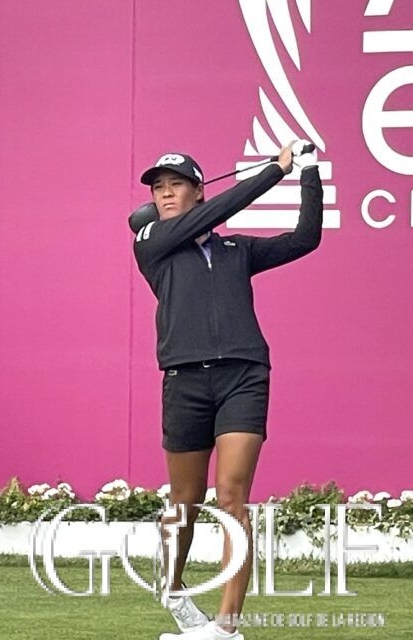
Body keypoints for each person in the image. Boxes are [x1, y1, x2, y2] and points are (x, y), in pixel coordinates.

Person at [131, 141, 323, 640]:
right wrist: (274, 169)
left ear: (197, 190)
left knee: (232, 496)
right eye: (159, 188)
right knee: (185, 500)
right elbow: (224, 206)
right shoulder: (152, 241)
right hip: (184, 380)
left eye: (176, 185)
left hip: (243, 376)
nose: (166, 193)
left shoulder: (238, 250)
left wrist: (307, 173)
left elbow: (305, 239)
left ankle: (228, 626)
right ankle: (173, 589)